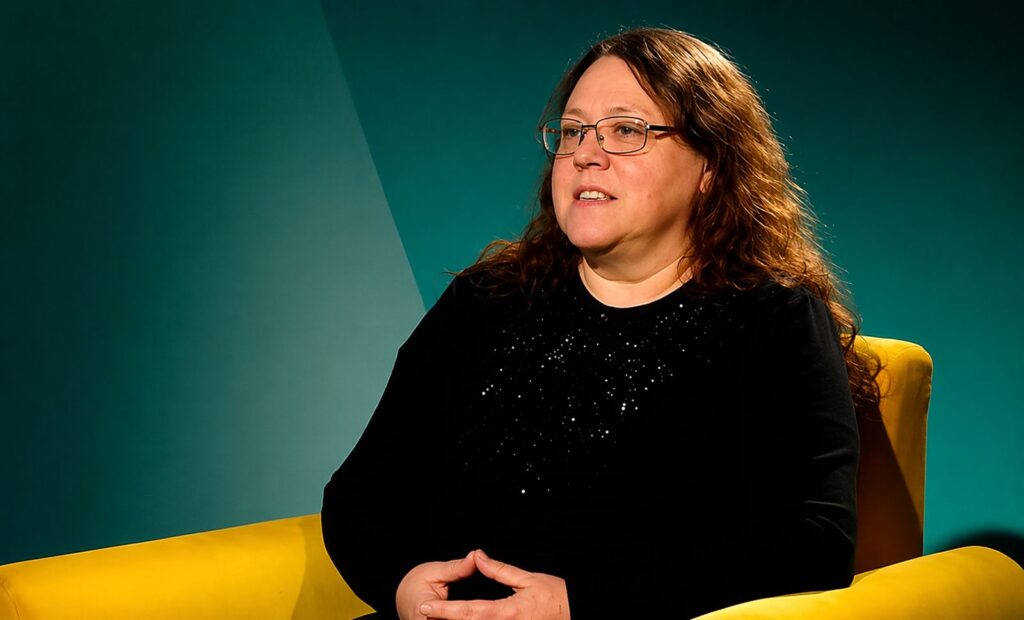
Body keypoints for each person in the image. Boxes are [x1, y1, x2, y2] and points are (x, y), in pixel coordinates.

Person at [321, 26, 880, 620]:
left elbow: (812, 540)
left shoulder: (773, 321)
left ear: (711, 164)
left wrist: (579, 606)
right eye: (572, 132)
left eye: (626, 130)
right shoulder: (485, 300)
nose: (586, 154)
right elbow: (360, 494)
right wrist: (404, 585)